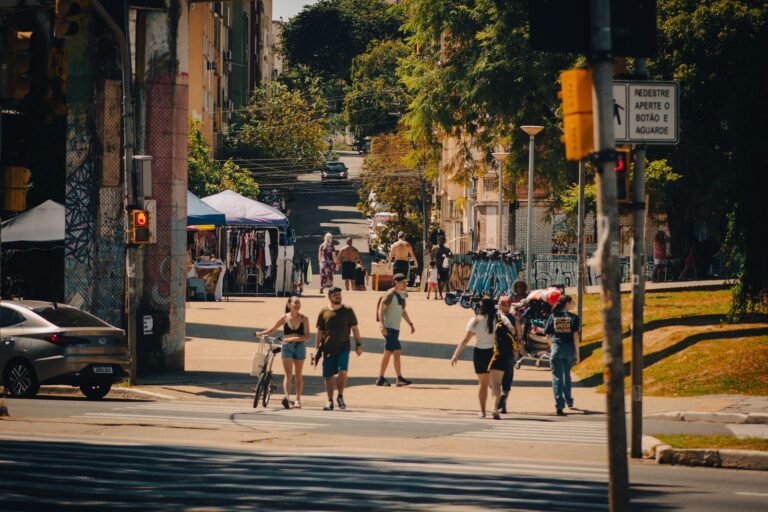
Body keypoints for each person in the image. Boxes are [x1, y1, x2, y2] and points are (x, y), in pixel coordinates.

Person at [450, 296, 513, 419]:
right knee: (496, 384)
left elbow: (466, 339)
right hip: (497, 352)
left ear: (481, 306)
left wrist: (456, 354)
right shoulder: (501, 318)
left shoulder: (475, 321)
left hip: (480, 353)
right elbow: (512, 330)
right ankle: (494, 408)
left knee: (483, 384)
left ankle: (482, 411)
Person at [257, 296, 310, 409]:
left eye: (299, 303)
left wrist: (292, 339)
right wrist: (261, 333)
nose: (297, 305)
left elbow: (306, 336)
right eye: (295, 303)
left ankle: (298, 399)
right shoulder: (284, 318)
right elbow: (272, 329)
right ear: (289, 305)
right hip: (287, 347)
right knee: (288, 374)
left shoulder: (304, 318)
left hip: (299, 346)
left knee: (298, 374)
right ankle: (286, 397)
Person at [315, 286, 363, 410]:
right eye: (335, 294)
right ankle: (330, 400)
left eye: (339, 294)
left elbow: (355, 329)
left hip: (343, 347)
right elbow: (319, 331)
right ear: (329, 296)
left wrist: (358, 345)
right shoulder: (323, 311)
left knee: (343, 371)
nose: (338, 296)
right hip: (328, 348)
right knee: (328, 375)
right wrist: (316, 349)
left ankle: (340, 396)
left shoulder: (348, 310)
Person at [544, 295, 581, 416]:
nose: (574, 304)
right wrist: (577, 353)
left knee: (557, 378)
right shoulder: (574, 318)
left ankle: (559, 406)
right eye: (572, 302)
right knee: (567, 376)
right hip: (569, 349)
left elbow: (547, 336)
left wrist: (553, 346)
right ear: (567, 304)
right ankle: (569, 400)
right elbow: (576, 337)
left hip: (556, 349)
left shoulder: (553, 316)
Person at [376, 273, 415, 387]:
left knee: (388, 352)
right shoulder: (389, 294)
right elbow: (381, 309)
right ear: (395, 283)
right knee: (397, 351)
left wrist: (410, 324)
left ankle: (382, 378)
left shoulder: (402, 295)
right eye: (402, 282)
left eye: (405, 282)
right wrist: (382, 325)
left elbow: (403, 311)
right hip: (388, 328)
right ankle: (397, 378)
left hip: (396, 328)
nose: (405, 284)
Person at [495, 296, 520, 414]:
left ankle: (498, 403)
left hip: (495, 353)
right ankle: (503, 403)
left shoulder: (494, 318)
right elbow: (519, 337)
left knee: (495, 381)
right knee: (507, 381)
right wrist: (519, 353)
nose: (505, 306)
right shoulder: (514, 319)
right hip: (510, 353)